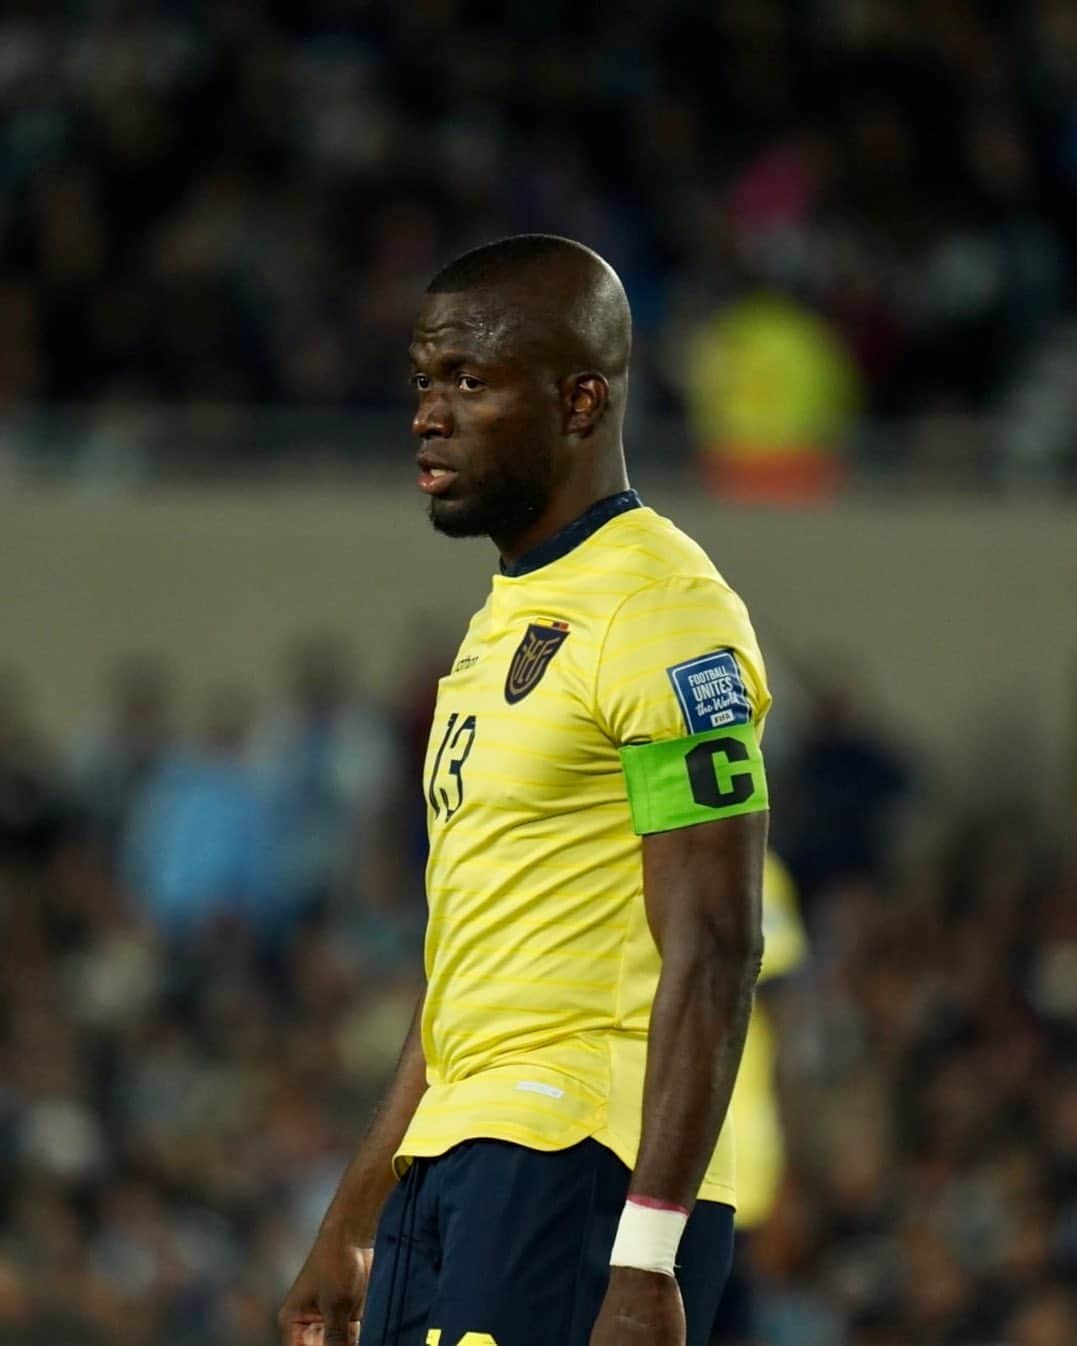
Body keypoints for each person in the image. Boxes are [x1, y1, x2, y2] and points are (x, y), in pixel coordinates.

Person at [279, 235, 772, 1346]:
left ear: (580, 399)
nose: (428, 412)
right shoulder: (500, 622)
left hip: (578, 1163)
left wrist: (647, 1255)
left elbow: (715, 941)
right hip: (458, 1151)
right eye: (422, 379)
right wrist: (356, 1216)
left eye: (469, 379)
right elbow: (470, 967)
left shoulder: (663, 611)